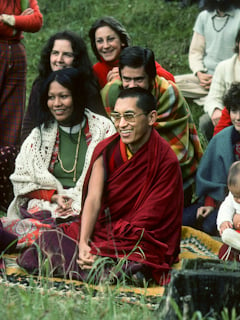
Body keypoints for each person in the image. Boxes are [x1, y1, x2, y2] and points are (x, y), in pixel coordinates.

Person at [17, 87, 183, 286]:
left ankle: (116, 266)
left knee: (141, 252)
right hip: (103, 227)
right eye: (117, 116)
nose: (122, 125)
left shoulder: (165, 161)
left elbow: (150, 217)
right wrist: (84, 242)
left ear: (151, 117)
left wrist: (101, 246)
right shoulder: (106, 149)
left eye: (129, 117)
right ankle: (113, 269)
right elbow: (93, 199)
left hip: (136, 235)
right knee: (46, 242)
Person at [2, 68, 116, 248]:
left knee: (92, 224)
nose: (56, 103)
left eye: (63, 96)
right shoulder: (39, 135)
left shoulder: (103, 129)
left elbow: (113, 178)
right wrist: (54, 197)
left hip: (89, 206)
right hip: (48, 206)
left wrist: (77, 201)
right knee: (39, 220)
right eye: (51, 97)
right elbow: (23, 181)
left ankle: (51, 238)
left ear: (77, 96)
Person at [0, 30, 107, 214]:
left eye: (67, 54)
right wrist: (35, 155)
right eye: (55, 53)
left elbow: (98, 133)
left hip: (80, 167)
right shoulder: (40, 85)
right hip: (43, 152)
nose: (59, 59)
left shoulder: (87, 90)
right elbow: (28, 128)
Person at [101, 46, 203, 207]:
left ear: (151, 77)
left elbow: (173, 150)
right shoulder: (111, 93)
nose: (132, 85)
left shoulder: (167, 93)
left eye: (139, 79)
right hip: (128, 174)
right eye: (127, 79)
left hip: (169, 173)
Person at [183, 82, 240, 236]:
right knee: (182, 219)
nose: (238, 117)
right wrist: (209, 204)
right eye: (234, 111)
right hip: (219, 202)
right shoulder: (222, 138)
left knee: (210, 226)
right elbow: (211, 177)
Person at [174, 0, 240, 105]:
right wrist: (199, 73)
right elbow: (195, 52)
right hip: (205, 78)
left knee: (237, 89)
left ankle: (213, 97)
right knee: (168, 84)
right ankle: (212, 97)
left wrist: (220, 79)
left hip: (231, 78)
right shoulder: (203, 17)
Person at [88, 16, 174, 89]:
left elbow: (170, 80)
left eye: (111, 39)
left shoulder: (137, 58)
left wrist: (127, 74)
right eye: (100, 41)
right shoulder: (96, 71)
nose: (106, 46)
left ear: (122, 41)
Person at [0, 0, 43, 146]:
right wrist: (20, 22)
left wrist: (9, 19)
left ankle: (7, 160)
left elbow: (36, 22)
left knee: (13, 113)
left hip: (16, 52)